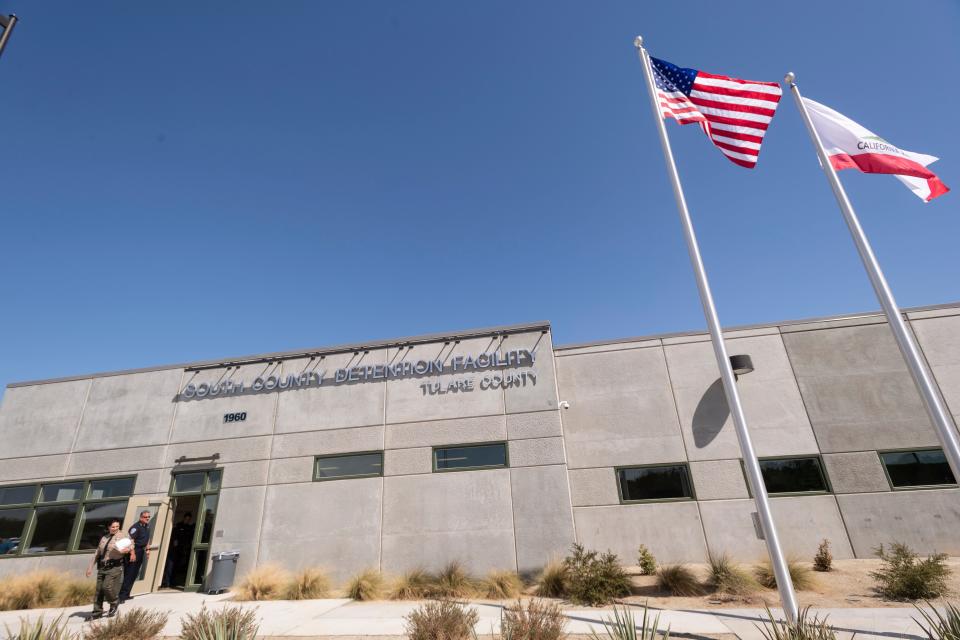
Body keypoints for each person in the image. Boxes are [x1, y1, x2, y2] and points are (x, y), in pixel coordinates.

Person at [86, 518, 133, 619]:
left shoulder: (123, 536)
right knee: (99, 591)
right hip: (102, 566)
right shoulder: (104, 538)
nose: (115, 528)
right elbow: (97, 552)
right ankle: (97, 613)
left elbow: (131, 545)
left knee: (106, 587)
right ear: (108, 527)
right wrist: (90, 567)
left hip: (115, 566)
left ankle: (114, 602)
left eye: (117, 526)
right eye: (113, 527)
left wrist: (127, 550)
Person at [118, 510, 151, 602]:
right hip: (134, 551)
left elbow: (147, 539)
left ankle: (127, 594)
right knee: (129, 574)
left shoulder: (147, 527)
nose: (147, 518)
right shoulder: (135, 527)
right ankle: (121, 597)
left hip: (141, 551)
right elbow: (130, 540)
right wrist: (132, 553)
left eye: (148, 517)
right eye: (145, 517)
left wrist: (148, 550)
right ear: (140, 517)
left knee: (134, 574)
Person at [160, 512, 194, 588]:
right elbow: (174, 537)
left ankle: (172, 582)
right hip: (174, 549)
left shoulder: (189, 528)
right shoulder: (178, 526)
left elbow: (190, 538)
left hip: (182, 550)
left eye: (189, 519)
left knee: (177, 566)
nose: (187, 520)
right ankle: (167, 582)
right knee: (170, 566)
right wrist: (175, 543)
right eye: (186, 519)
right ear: (184, 518)